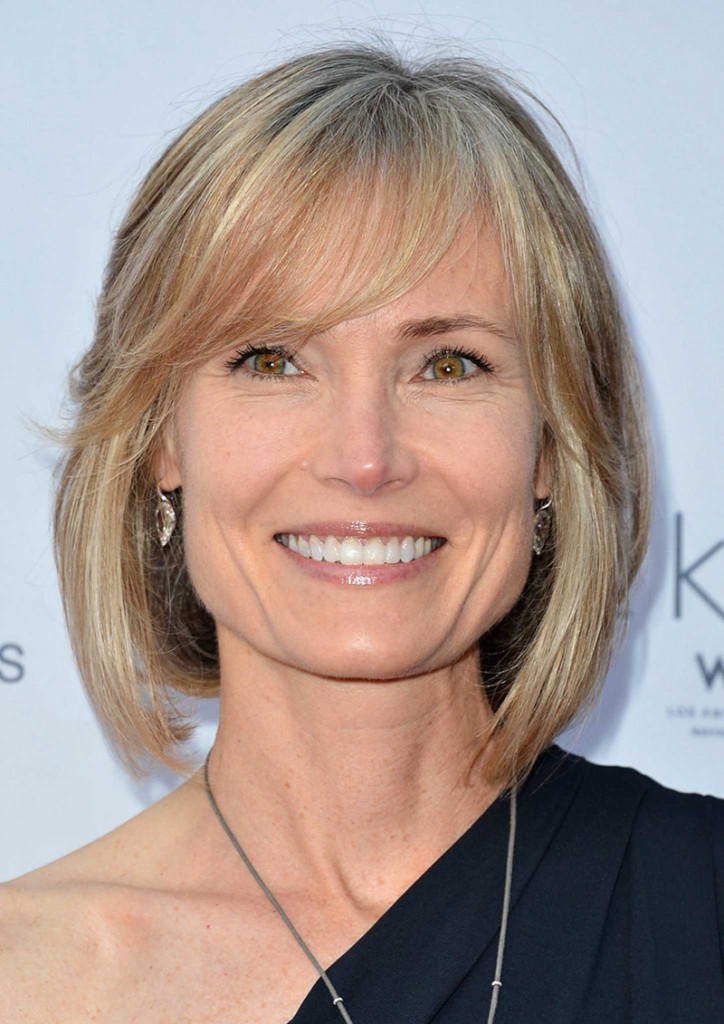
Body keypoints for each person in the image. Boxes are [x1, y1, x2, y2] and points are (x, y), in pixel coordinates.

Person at [1, 41, 722, 1024]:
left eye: (448, 364)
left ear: (551, 448)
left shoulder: (700, 909)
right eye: (272, 359)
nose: (365, 458)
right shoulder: (27, 979)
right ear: (161, 438)